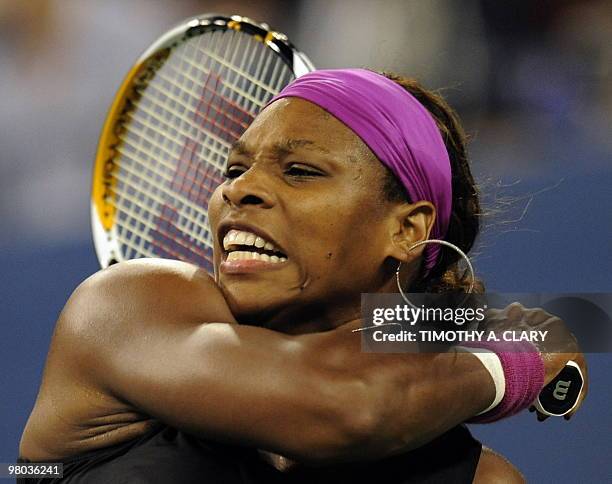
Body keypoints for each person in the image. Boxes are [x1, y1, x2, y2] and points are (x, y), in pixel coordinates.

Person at [18, 69, 585, 483]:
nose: (237, 189)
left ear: (407, 230)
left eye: (300, 171)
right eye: (234, 169)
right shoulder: (126, 306)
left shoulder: (480, 479)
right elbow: (349, 404)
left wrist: (485, 329)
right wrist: (515, 361)